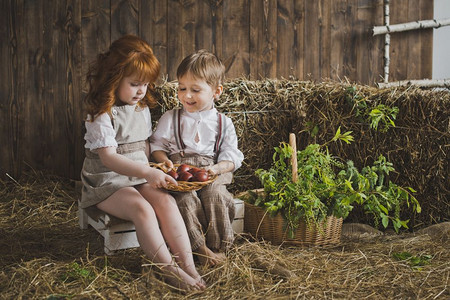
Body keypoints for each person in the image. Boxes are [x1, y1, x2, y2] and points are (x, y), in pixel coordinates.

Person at [79, 34, 205, 292]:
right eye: (135, 84)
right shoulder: (101, 113)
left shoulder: (142, 108)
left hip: (138, 176)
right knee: (142, 209)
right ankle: (169, 270)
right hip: (107, 181)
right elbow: (109, 158)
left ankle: (188, 266)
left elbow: (143, 146)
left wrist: (159, 166)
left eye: (145, 85)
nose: (141, 91)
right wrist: (147, 172)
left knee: (166, 201)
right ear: (114, 79)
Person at [150, 50, 244, 267]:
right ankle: (197, 249)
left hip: (212, 173)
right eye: (182, 88)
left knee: (217, 196)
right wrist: (164, 160)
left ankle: (219, 248)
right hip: (181, 176)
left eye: (195, 90)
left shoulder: (223, 123)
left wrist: (218, 168)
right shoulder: (171, 118)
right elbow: (157, 145)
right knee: (184, 200)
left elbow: (232, 156)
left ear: (216, 91)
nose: (187, 96)